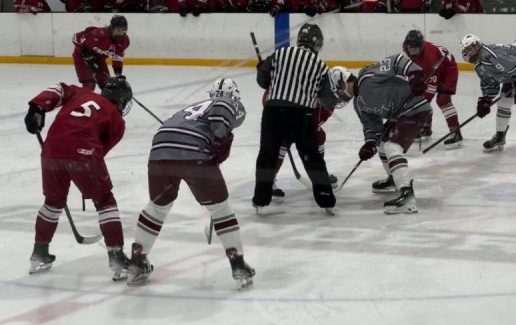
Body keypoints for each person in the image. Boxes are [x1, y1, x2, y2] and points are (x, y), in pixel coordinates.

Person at [127, 78, 255, 289]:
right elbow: (222, 111)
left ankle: (138, 260)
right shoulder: (229, 103)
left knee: (158, 208)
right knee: (221, 209)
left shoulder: (193, 107)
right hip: (193, 155)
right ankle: (238, 263)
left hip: (160, 152)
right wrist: (219, 140)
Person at [25, 76, 133, 280]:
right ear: (121, 101)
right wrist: (86, 182)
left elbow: (58, 87)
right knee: (105, 201)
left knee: (52, 203)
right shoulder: (117, 121)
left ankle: (39, 253)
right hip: (83, 153)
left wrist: (37, 108)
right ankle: (117, 256)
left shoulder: (81, 93)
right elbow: (99, 152)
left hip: (51, 151)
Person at [254, 24, 338, 213]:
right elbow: (327, 99)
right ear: (316, 44)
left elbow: (263, 82)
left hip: (273, 112)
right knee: (312, 158)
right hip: (301, 115)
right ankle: (325, 199)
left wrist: (262, 70)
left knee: (267, 155)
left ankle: (260, 198)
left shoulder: (279, 53)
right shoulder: (320, 66)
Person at [332, 56, 432, 214]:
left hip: (415, 108)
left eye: (336, 91)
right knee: (381, 142)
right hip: (400, 115)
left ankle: (407, 196)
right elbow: (373, 127)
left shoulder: (367, 76)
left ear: (342, 82)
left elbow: (397, 60)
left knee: (392, 146)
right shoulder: (359, 104)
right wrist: (370, 143)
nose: (338, 96)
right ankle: (394, 178)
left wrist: (415, 74)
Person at [460, 34, 516, 158]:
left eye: (470, 48)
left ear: (478, 46)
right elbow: (491, 84)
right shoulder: (480, 66)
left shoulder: (491, 55)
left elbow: (515, 65)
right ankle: (500, 137)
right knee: (503, 103)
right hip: (512, 75)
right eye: (466, 51)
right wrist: (486, 100)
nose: (469, 52)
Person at [402, 30, 462, 148]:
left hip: (448, 70)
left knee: (442, 100)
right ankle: (426, 128)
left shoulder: (429, 57)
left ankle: (456, 133)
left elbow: (431, 89)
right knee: (420, 98)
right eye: (410, 48)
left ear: (421, 46)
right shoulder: (407, 47)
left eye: (415, 48)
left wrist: (420, 104)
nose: (412, 50)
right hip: (431, 68)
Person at [71, 15, 130, 91]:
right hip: (81, 57)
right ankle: (85, 100)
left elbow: (117, 57)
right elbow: (76, 37)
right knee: (89, 83)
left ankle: (105, 102)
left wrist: (118, 75)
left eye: (124, 30)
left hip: (99, 59)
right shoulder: (98, 35)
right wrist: (85, 54)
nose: (121, 33)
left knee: (107, 84)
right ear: (112, 28)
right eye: (118, 30)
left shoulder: (124, 41)